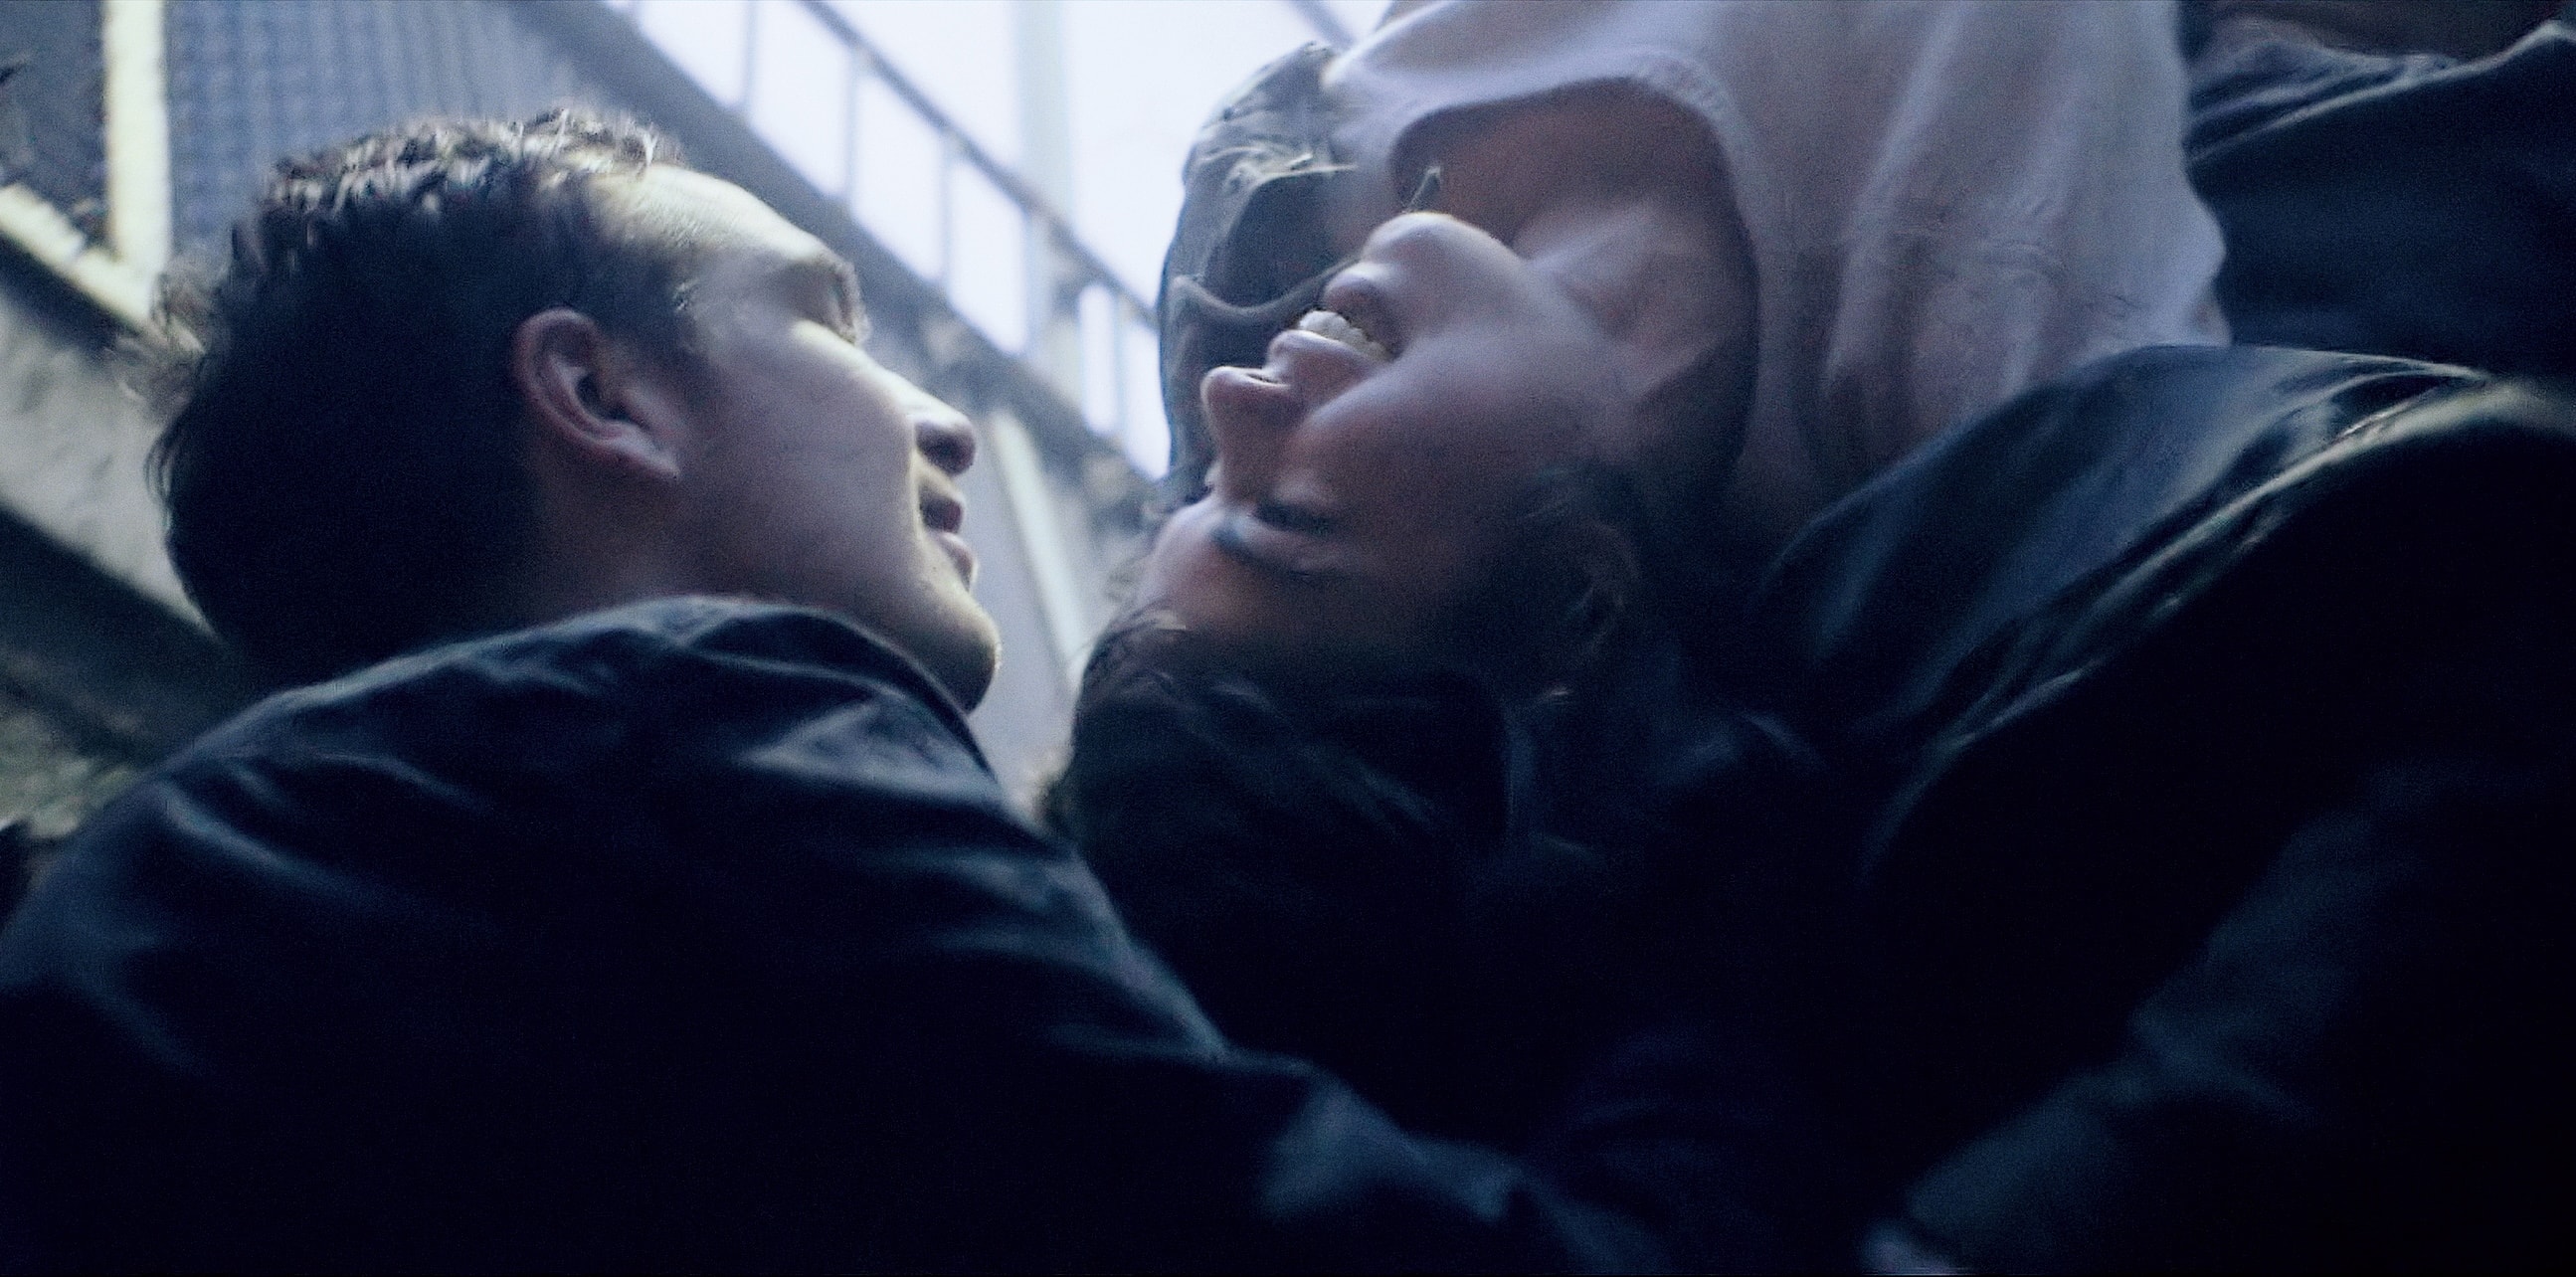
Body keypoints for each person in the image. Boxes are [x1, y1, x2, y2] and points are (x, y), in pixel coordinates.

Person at [0, 111, 1775, 1273]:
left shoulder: (347, 867)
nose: (939, 425)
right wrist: (1747, 976)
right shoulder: (696, 725)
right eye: (830, 325)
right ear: (601, 400)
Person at [1138, 0, 2576, 1267]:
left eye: (1202, 492)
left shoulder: (1268, 220)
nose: (1230, 411)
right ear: (1575, 614)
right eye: (1286, 518)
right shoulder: (2036, 510)